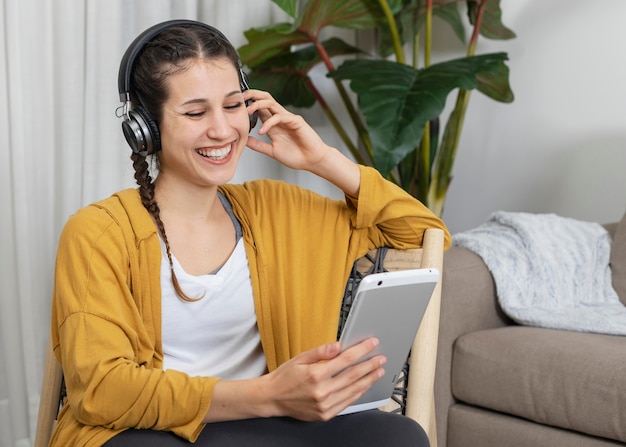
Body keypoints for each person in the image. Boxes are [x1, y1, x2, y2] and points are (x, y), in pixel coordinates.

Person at [49, 19, 451, 447]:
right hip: (148, 432)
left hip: (269, 427)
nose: (222, 130)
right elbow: (101, 390)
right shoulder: (98, 233)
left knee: (399, 437)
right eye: (195, 112)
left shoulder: (279, 209)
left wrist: (324, 160)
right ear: (145, 130)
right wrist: (270, 394)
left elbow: (425, 234)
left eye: (233, 105)